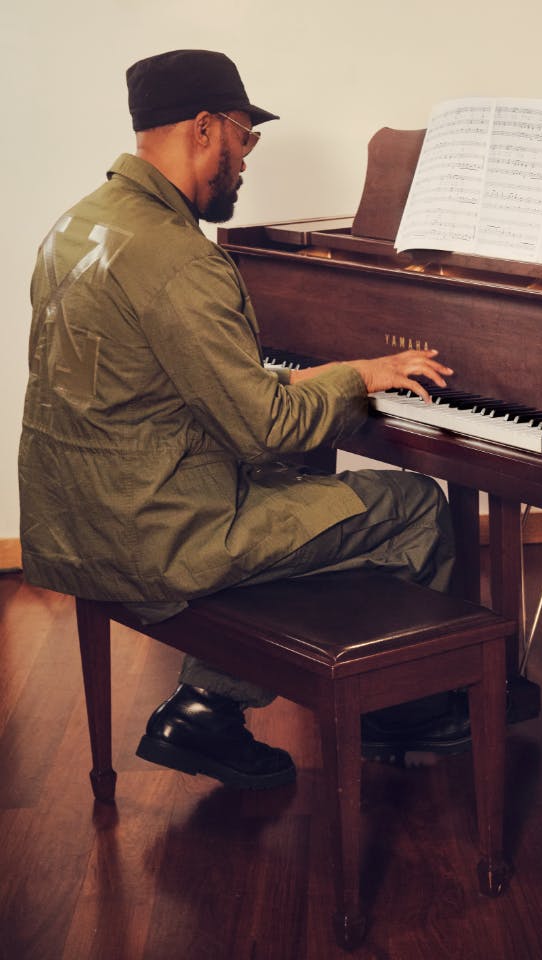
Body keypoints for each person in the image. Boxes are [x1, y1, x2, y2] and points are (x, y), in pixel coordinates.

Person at [18, 48, 471, 791]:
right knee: (415, 508)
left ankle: (206, 712)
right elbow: (263, 429)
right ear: (204, 128)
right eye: (245, 137)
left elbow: (161, 382)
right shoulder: (179, 259)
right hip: (159, 537)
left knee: (297, 492)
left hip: (78, 518)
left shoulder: (79, 227)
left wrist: (301, 380)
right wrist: (359, 377)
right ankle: (396, 713)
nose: (247, 158)